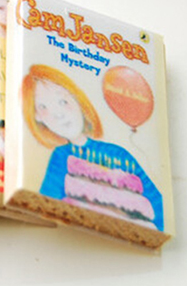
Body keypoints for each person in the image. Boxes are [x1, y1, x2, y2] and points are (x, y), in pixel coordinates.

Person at [22, 64, 164, 231]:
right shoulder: (60, 157)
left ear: (77, 100)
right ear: (37, 117)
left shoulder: (118, 154)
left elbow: (158, 208)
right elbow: (47, 207)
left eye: (63, 101)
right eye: (43, 107)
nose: (58, 114)